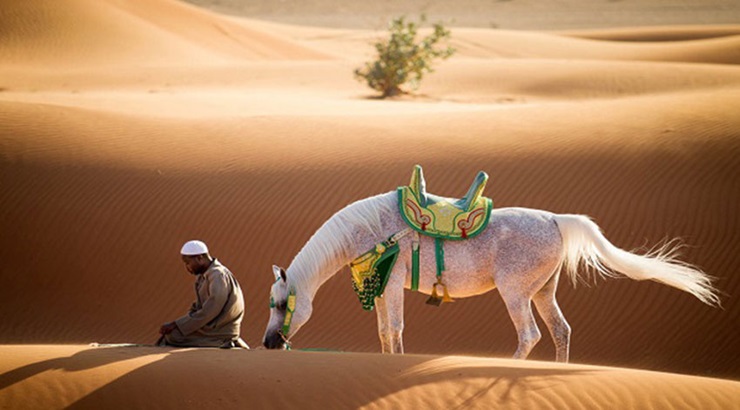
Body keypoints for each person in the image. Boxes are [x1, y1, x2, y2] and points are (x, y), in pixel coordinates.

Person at [159, 240, 248, 349]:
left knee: (174, 337)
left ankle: (223, 342)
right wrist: (180, 324)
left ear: (199, 258)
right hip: (210, 326)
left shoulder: (217, 275)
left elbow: (212, 309)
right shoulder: (204, 276)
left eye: (188, 263)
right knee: (172, 334)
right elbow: (198, 307)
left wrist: (177, 324)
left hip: (220, 329)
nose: (187, 267)